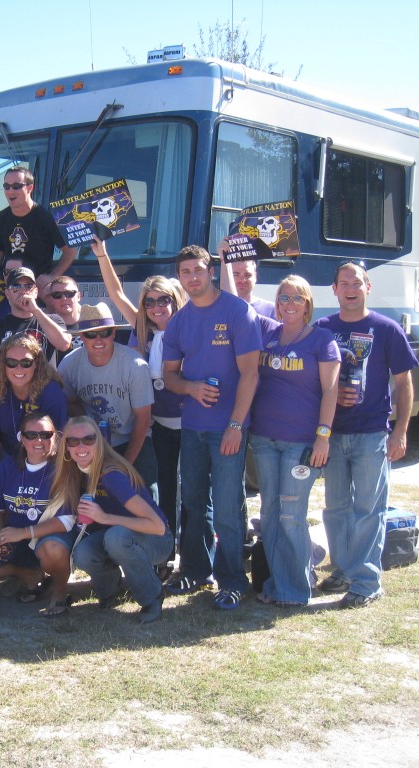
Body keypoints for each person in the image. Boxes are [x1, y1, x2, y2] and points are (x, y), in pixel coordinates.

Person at [313, 262, 418, 608]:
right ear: (335, 290)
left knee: (368, 509)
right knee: (336, 508)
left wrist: (400, 431)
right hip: (334, 433)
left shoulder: (385, 329)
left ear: (367, 287)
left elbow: (404, 383)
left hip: (372, 433)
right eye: (343, 283)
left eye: (356, 282)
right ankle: (342, 570)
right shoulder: (323, 329)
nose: (350, 288)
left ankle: (367, 581)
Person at [161, 245, 261, 610]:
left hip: (228, 428)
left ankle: (233, 579)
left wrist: (236, 424)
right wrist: (190, 387)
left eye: (198, 270)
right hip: (193, 428)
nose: (192, 277)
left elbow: (251, 373)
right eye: (185, 272)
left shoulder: (238, 312)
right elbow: (169, 376)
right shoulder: (180, 321)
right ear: (180, 278)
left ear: (211, 271)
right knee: (192, 502)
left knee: (227, 507)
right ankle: (195, 571)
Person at [95, 239, 189, 568]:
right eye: (150, 302)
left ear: (175, 300)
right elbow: (117, 292)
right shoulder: (142, 331)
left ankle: (190, 556)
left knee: (189, 490)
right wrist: (103, 254)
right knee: (166, 487)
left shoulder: (191, 328)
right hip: (158, 424)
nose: (157, 307)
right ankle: (168, 551)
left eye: (164, 299)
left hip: (189, 422)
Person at [248, 276, 340, 607]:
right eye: (283, 298)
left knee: (291, 514)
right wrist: (228, 258)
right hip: (264, 438)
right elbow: (234, 299)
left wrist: (323, 437)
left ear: (307, 304)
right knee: (271, 513)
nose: (289, 304)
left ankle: (296, 590)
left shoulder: (321, 339)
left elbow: (331, 391)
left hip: (301, 442)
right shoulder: (267, 332)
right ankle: (277, 584)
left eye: (296, 299)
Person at [52, 417, 172, 623]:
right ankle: (111, 590)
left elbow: (158, 527)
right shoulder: (76, 471)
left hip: (156, 541)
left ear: (99, 442)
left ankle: (152, 596)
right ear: (66, 447)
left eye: (88, 440)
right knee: (83, 552)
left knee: (115, 537)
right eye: (73, 441)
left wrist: (105, 517)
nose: (81, 446)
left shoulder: (111, 474)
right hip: (117, 537)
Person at [0, 413, 76, 617]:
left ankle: (60, 592)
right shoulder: (8, 466)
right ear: (21, 438)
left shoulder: (63, 468)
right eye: (31, 434)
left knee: (52, 549)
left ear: (55, 437)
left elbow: (67, 520)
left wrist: (24, 532)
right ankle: (29, 575)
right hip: (17, 535)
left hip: (50, 537)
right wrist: (0, 538)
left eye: (45, 434)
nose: (39, 440)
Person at [57, 303, 157, 492]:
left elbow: (142, 421)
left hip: (132, 437)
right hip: (91, 441)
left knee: (146, 495)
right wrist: (88, 422)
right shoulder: (69, 364)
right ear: (81, 336)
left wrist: (124, 465)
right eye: (91, 334)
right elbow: (67, 403)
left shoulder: (134, 365)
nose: (98, 340)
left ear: (113, 333)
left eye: (104, 333)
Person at [0, 333, 68, 480]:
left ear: (36, 363)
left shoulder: (52, 393)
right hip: (7, 453)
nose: (18, 368)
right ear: (3, 364)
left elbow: (58, 444)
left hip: (44, 454)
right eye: (11, 362)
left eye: (25, 362)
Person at [0, 166, 77, 292]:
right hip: (8, 286)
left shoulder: (46, 217)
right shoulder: (0, 218)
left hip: (37, 288)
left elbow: (70, 251)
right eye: (6, 186)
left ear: (30, 188)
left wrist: (52, 276)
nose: (10, 191)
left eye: (16, 186)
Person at [0, 267, 71, 366]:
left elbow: (64, 344)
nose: (23, 291)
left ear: (36, 292)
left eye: (28, 286)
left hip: (45, 380)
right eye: (16, 286)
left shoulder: (53, 320)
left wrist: (35, 310)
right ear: (7, 293)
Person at [42, 274, 84, 361]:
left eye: (69, 294)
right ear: (51, 299)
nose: (64, 298)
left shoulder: (91, 325)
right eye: (57, 295)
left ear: (79, 296)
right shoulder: (44, 327)